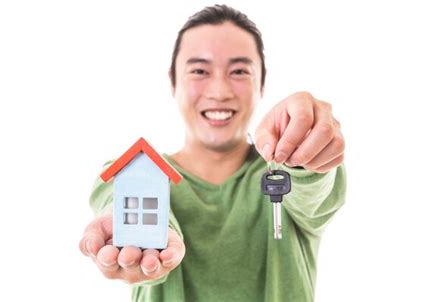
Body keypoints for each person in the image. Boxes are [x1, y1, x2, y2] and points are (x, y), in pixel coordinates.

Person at [79, 4, 346, 302]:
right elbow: (115, 197)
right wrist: (151, 238)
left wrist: (306, 153)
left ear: (262, 84)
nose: (219, 91)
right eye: (199, 70)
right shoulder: (131, 171)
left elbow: (315, 191)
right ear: (173, 81)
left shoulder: (283, 175)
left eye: (239, 71)